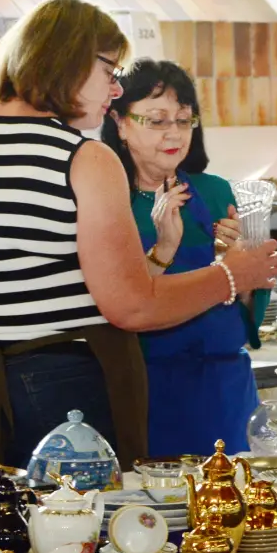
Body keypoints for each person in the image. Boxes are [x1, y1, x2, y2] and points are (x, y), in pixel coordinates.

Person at [0, 0, 277, 471]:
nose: (115, 88)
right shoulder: (81, 156)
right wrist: (232, 274)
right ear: (69, 61)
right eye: (110, 71)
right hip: (54, 383)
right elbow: (132, 305)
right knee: (70, 518)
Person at [99, 59, 261, 457]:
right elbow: (118, 303)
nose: (174, 133)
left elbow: (246, 304)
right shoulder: (105, 199)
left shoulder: (216, 192)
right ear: (119, 123)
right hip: (145, 391)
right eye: (156, 120)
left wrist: (239, 265)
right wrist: (163, 251)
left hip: (224, 390)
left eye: (184, 120)